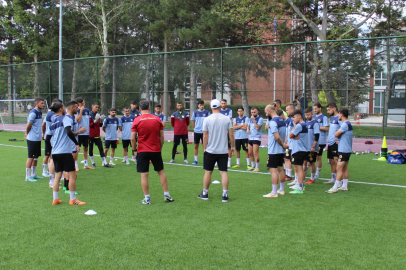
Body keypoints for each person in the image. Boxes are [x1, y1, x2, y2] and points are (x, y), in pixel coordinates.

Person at [131, 100, 174, 204]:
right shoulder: (157, 119)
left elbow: (132, 138)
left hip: (142, 151)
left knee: (144, 175)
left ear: (139, 109)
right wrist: (160, 147)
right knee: (161, 172)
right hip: (155, 150)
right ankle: (167, 196)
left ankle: (147, 199)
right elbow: (162, 136)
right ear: (149, 108)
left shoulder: (137, 120)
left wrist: (134, 150)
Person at [47, 101, 87, 205]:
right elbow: (69, 131)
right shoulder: (65, 119)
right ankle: (73, 199)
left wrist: (49, 151)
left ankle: (55, 199)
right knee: (72, 175)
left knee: (57, 175)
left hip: (55, 152)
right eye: (63, 107)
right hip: (64, 151)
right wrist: (76, 142)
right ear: (61, 109)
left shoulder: (52, 121)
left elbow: (47, 137)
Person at [197, 99, 235, 202]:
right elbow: (231, 134)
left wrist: (204, 147)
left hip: (210, 150)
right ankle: (225, 195)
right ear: (219, 106)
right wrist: (233, 146)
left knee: (208, 172)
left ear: (211, 107)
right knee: (223, 172)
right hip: (223, 151)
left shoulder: (207, 119)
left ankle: (205, 193)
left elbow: (205, 136)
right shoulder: (227, 118)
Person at [326, 108, 352, 193]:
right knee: (344, 168)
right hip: (346, 149)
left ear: (341, 114)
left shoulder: (345, 124)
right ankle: (344, 186)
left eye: (339, 115)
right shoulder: (348, 123)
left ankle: (335, 186)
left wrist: (338, 133)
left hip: (343, 149)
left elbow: (336, 134)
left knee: (339, 167)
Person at [263, 105, 287, 198]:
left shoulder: (273, 122)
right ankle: (281, 189)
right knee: (280, 169)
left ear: (269, 111)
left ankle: (274, 192)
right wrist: (283, 145)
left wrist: (282, 144)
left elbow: (277, 137)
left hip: (274, 150)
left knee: (273, 171)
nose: (266, 114)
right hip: (281, 150)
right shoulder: (282, 120)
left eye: (266, 113)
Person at [24, 97, 45, 182]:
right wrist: (27, 133)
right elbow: (28, 125)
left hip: (37, 138)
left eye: (43, 103)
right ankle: (27, 176)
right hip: (32, 139)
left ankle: (34, 174)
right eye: (41, 103)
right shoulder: (33, 113)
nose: (43, 105)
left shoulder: (39, 112)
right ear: (37, 103)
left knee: (36, 157)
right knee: (30, 157)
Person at [288, 110, 309, 194]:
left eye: (294, 117)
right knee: (297, 168)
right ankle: (299, 184)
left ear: (299, 116)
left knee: (299, 169)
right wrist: (294, 136)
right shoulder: (304, 125)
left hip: (299, 149)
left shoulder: (299, 125)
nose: (293, 119)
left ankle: (300, 188)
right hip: (301, 149)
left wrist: (293, 135)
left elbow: (290, 135)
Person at [44, 98, 62, 187]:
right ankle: (52, 181)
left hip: (52, 139)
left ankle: (54, 179)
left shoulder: (50, 114)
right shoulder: (53, 116)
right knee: (52, 159)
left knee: (53, 159)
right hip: (54, 140)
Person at [88, 102, 111, 168]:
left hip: (97, 134)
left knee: (101, 148)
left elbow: (99, 125)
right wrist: (95, 121)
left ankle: (105, 163)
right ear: (92, 106)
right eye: (96, 107)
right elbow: (90, 125)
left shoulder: (98, 114)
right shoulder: (90, 115)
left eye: (98, 107)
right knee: (91, 148)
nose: (97, 108)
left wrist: (101, 121)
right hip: (91, 135)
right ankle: (93, 162)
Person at [325, 103, 341, 185]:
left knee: (336, 160)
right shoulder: (331, 118)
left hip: (335, 142)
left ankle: (339, 180)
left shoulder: (339, 117)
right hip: (330, 142)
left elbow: (342, 129)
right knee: (331, 161)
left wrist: (339, 139)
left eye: (329, 110)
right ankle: (333, 178)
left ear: (334, 108)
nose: (328, 111)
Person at [304, 107, 320, 184]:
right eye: (306, 115)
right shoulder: (306, 122)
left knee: (311, 162)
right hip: (306, 147)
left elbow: (317, 136)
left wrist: (313, 146)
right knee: (306, 162)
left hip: (311, 147)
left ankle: (312, 178)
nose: (307, 116)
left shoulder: (315, 123)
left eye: (308, 115)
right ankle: (303, 176)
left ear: (312, 114)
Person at [75, 97, 92, 169]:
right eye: (82, 103)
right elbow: (78, 120)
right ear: (79, 104)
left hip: (86, 133)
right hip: (79, 133)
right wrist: (81, 111)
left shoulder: (87, 110)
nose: (84, 104)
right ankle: (76, 165)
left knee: (86, 148)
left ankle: (86, 164)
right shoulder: (76, 110)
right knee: (77, 149)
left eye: (84, 102)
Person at [191, 100, 210, 165]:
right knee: (196, 145)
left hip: (204, 132)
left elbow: (209, 121)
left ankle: (206, 160)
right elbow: (192, 120)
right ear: (198, 105)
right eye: (200, 105)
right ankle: (195, 160)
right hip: (197, 132)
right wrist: (195, 127)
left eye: (202, 105)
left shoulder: (207, 112)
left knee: (204, 146)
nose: (202, 106)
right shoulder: (195, 112)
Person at [313, 103, 329, 179]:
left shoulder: (324, 117)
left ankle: (317, 173)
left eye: (316, 108)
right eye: (314, 109)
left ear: (320, 108)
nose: (315, 110)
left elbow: (326, 128)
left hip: (321, 141)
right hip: (313, 141)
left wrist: (317, 127)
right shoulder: (313, 117)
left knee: (318, 157)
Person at [246, 107, 263, 172]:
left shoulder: (260, 119)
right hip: (250, 137)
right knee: (250, 153)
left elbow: (257, 128)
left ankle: (257, 167)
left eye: (254, 112)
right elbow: (248, 125)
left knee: (255, 153)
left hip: (256, 137)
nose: (253, 113)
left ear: (257, 111)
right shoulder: (250, 119)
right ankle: (252, 166)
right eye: (252, 112)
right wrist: (248, 129)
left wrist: (253, 120)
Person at [219, 99, 233, 167]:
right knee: (218, 146)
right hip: (220, 131)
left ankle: (229, 162)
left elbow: (229, 119)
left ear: (226, 104)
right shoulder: (218, 110)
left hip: (227, 131)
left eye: (224, 103)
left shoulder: (229, 110)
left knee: (228, 147)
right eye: (222, 103)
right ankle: (217, 161)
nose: (223, 105)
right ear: (220, 104)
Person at [284, 104, 295, 183]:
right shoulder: (288, 120)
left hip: (293, 144)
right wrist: (285, 141)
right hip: (288, 143)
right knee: (286, 158)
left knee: (292, 160)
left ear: (292, 110)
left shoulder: (294, 120)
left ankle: (290, 175)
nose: (286, 112)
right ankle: (288, 174)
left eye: (287, 110)